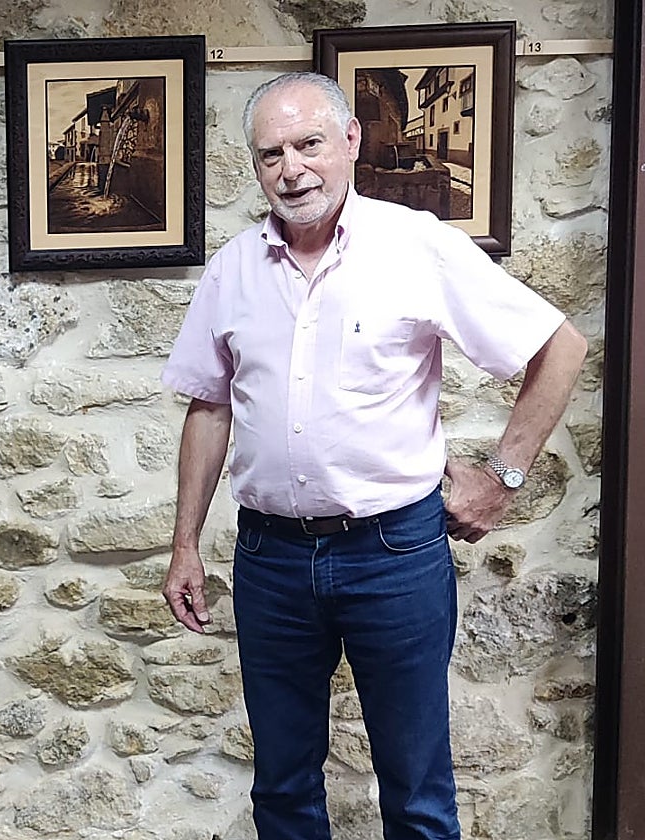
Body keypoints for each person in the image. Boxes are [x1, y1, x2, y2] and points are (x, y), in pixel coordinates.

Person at [161, 72, 587, 840]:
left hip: (394, 554)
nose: (291, 170)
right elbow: (209, 403)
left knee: (416, 790)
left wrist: (505, 477)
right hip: (270, 559)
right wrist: (185, 544)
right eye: (269, 155)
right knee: (283, 789)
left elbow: (559, 345)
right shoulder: (230, 269)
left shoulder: (415, 245)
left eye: (308, 144)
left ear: (351, 141)